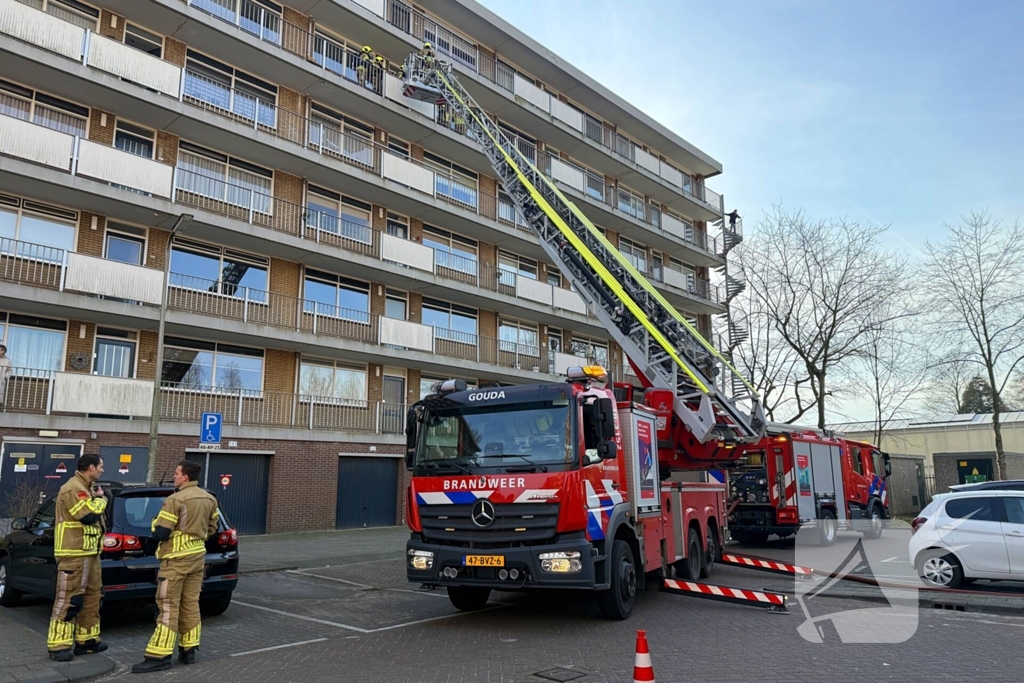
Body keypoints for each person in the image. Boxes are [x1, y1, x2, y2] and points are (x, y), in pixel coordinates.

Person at [132, 461, 219, 673]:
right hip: (197, 558)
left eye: (177, 473)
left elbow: (161, 533)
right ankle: (189, 650)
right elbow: (212, 529)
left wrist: (155, 522)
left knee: (168, 606)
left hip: (175, 560)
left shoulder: (175, 499)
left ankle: (159, 656)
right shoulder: (210, 498)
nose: (174, 476)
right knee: (191, 604)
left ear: (185, 477)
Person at [47, 454, 107, 661]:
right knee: (69, 599)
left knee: (93, 597)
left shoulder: (86, 489)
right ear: (91, 467)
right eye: (100, 466)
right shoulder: (73, 488)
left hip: (89, 553)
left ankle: (87, 641)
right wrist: (101, 500)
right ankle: (58, 646)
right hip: (74, 552)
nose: (102, 470)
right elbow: (87, 516)